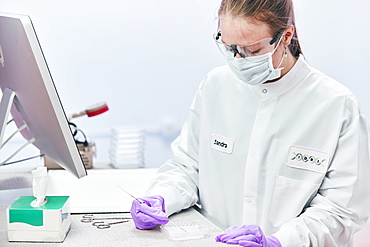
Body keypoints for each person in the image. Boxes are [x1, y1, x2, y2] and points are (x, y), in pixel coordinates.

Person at [130, 0, 370, 246]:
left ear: (285, 37)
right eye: (229, 47)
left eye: (251, 51)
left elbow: (342, 210)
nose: (238, 59)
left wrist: (279, 241)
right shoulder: (216, 86)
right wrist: (161, 197)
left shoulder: (336, 105)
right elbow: (187, 167)